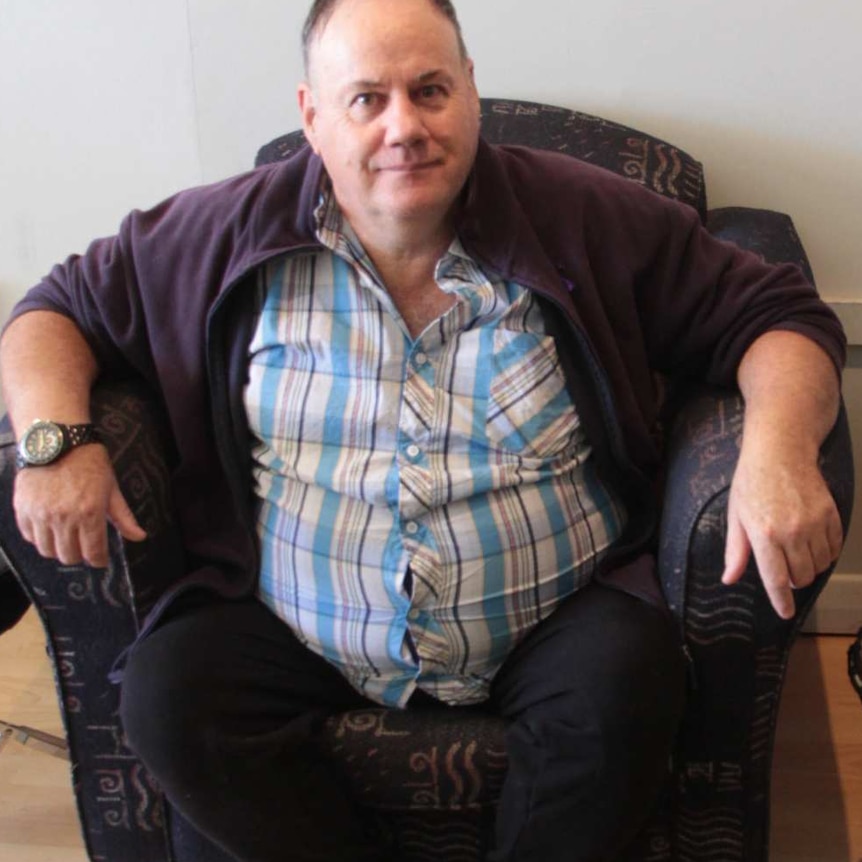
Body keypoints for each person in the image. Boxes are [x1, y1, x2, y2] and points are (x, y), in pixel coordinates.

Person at [0, 0, 846, 860]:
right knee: (168, 695)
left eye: (431, 90)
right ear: (312, 117)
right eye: (366, 98)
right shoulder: (224, 232)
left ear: (472, 93)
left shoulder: (584, 217)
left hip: (554, 613)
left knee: (629, 687)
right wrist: (54, 440)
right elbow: (53, 309)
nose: (405, 127)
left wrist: (775, 453)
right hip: (293, 620)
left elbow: (779, 314)